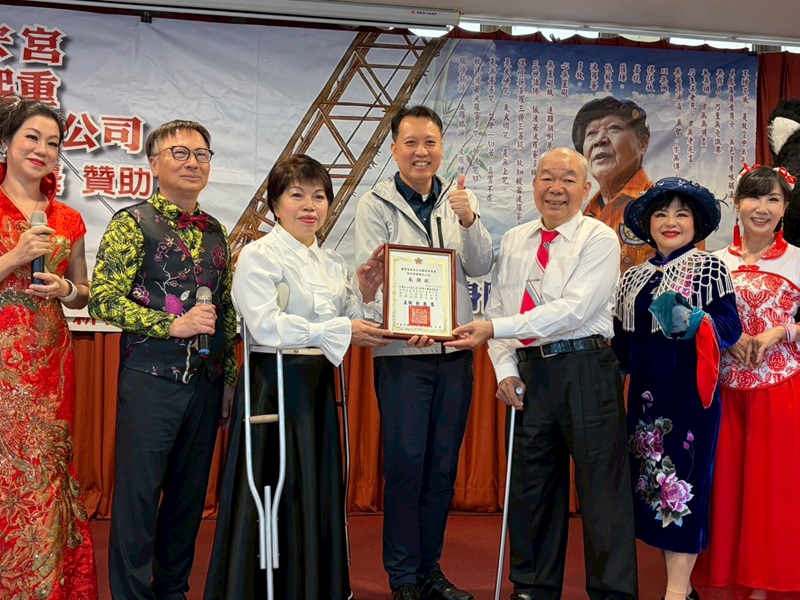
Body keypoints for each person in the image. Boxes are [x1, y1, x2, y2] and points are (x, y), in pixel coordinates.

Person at [447, 147, 637, 600]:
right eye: (547, 178)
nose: (556, 188)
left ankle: (612, 592)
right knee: (532, 490)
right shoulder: (515, 239)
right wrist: (505, 370)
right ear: (533, 185)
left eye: (568, 179)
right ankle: (532, 588)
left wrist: (495, 329)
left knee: (601, 493)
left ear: (586, 189)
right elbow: (497, 307)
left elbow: (572, 312)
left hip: (585, 368)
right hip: (531, 375)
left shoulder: (598, 239)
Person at [204, 154, 390, 599]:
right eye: (297, 195)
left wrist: (363, 291)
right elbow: (265, 326)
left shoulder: (329, 262)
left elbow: (348, 320)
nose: (310, 206)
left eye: (319, 196)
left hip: (318, 387)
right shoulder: (258, 255)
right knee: (273, 489)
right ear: (274, 203)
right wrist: (339, 328)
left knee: (314, 488)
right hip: (274, 384)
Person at [89, 120, 237, 600]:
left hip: (206, 384)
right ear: (154, 164)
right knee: (137, 499)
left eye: (202, 154)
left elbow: (227, 310)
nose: (193, 162)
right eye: (179, 152)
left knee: (188, 501)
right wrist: (169, 324)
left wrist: (229, 381)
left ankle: (172, 590)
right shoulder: (131, 223)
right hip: (151, 378)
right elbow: (104, 299)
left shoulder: (216, 231)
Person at [353, 104, 494, 600]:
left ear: (441, 148)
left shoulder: (459, 200)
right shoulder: (374, 203)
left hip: (454, 349)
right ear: (394, 149)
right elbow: (370, 281)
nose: (421, 151)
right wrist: (398, 316)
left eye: (430, 142)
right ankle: (403, 577)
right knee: (407, 463)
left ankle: (431, 570)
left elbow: (479, 266)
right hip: (401, 356)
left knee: (441, 467)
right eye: (410, 142)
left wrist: (471, 219)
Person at [611, 177, 742, 600]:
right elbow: (622, 346)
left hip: (691, 400)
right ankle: (681, 590)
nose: (671, 221)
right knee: (656, 491)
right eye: (661, 213)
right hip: (645, 405)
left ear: (696, 223)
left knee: (684, 487)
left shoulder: (709, 269)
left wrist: (697, 322)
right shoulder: (632, 278)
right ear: (647, 224)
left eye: (682, 213)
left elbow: (730, 327)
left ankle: (675, 591)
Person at [0, 96, 98, 598]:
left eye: (53, 143)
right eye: (31, 138)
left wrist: (67, 291)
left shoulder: (68, 219)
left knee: (44, 467)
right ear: (7, 143)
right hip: (1, 358)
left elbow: (85, 291)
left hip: (49, 360)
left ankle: (44, 585)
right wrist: (13, 257)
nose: (42, 149)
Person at [697, 165, 800, 598]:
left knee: (771, 489)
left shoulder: (799, 258)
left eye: (773, 199)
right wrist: (725, 336)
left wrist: (783, 332)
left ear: (785, 209)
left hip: (781, 389)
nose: (762, 208)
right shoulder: (713, 263)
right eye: (753, 198)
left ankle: (762, 584)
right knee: (726, 486)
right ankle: (726, 574)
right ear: (736, 204)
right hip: (725, 390)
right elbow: (696, 323)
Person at [573, 96, 654, 272]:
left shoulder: (662, 207)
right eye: (591, 134)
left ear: (642, 143)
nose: (599, 140)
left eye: (613, 128)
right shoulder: (582, 216)